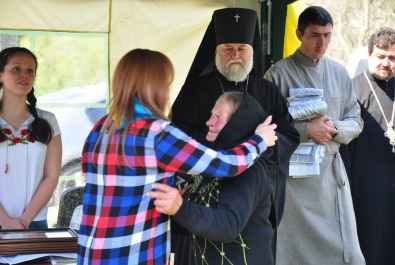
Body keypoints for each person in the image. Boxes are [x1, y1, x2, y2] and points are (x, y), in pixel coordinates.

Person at [77, 48, 278, 265]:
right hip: (134, 254)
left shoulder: (100, 129)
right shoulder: (156, 134)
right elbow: (224, 164)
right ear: (155, 87)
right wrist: (259, 141)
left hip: (92, 252)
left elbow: (115, 181)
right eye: (166, 84)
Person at [170, 8, 300, 249]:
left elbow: (288, 134)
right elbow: (179, 137)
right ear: (216, 51)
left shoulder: (268, 90)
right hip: (204, 201)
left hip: (254, 198)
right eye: (228, 49)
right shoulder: (194, 91)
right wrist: (229, 144)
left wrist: (263, 144)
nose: (235, 55)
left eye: (242, 49)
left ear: (252, 51)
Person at [264, 6, 365, 265]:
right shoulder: (276, 74)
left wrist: (333, 129)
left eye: (328, 35)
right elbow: (266, 127)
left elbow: (356, 121)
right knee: (292, 254)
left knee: (348, 253)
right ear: (299, 34)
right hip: (294, 183)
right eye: (315, 35)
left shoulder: (340, 72)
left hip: (330, 177)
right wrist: (305, 130)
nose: (322, 42)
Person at [149, 91, 277, 265]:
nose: (209, 122)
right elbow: (198, 223)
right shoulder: (214, 163)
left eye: (218, 117)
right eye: (211, 114)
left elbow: (228, 226)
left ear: (237, 124)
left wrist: (181, 207)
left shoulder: (250, 171)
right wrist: (180, 202)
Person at [345, 27, 395, 265]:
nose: (386, 63)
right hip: (363, 191)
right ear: (369, 55)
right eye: (380, 56)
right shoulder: (351, 91)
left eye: (393, 58)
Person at [0, 47, 62, 229]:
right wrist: (4, 220)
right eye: (16, 69)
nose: (24, 75)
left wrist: (25, 220)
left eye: (30, 70)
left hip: (34, 222)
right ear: (1, 75)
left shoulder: (48, 120)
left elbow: (51, 176)